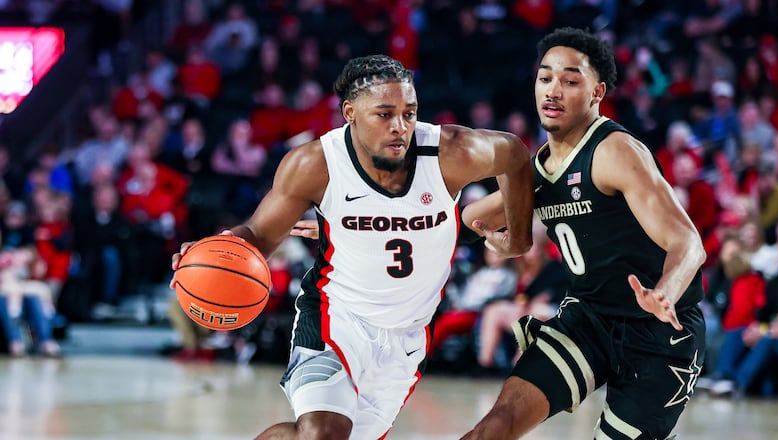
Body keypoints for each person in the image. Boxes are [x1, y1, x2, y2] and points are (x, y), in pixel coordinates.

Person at [170, 54, 533, 439]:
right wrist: (217, 249)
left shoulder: (450, 153)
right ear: (350, 112)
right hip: (335, 318)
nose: (400, 126)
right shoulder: (316, 164)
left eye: (409, 113)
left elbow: (513, 153)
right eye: (384, 114)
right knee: (322, 433)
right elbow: (259, 234)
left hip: (407, 336)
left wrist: (519, 237)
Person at [461, 27, 707, 440]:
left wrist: (664, 291)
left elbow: (688, 243)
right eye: (545, 78)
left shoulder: (614, 151)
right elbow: (467, 221)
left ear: (596, 93)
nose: (553, 90)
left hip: (660, 332)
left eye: (570, 80)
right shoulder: (535, 168)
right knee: (496, 425)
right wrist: (342, 228)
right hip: (589, 319)